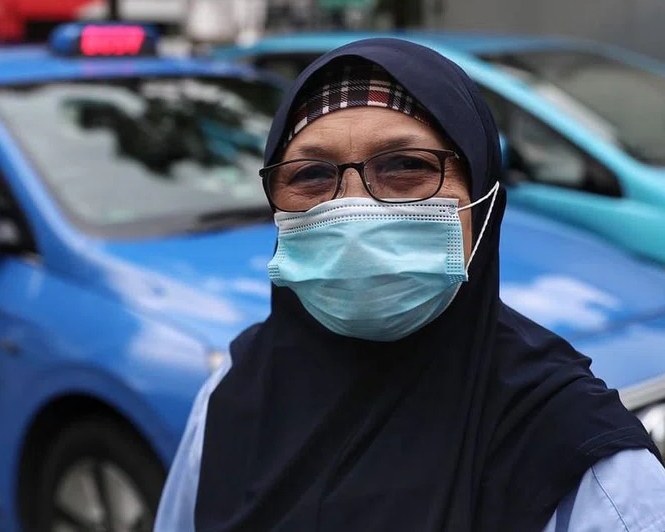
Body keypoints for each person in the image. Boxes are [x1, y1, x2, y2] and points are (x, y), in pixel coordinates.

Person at [155, 39, 665, 532]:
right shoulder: (231, 399)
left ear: (482, 200)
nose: (351, 208)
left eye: (405, 166)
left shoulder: (577, 458)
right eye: (311, 174)